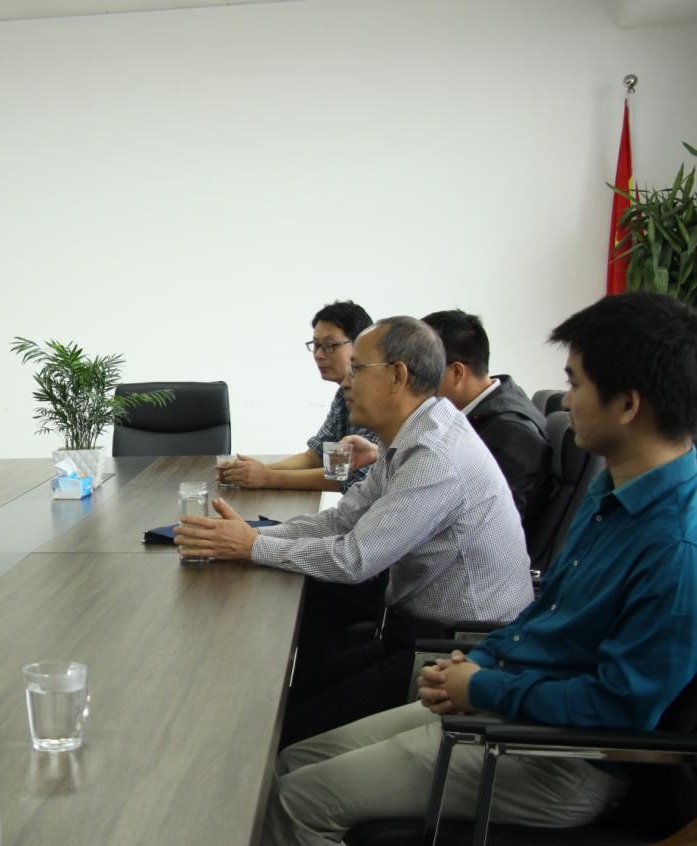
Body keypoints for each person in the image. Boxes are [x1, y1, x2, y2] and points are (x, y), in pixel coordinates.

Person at [264, 292, 697, 845]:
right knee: (292, 759)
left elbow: (620, 709)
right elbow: (546, 611)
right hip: (507, 697)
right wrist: (484, 660)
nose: (566, 400)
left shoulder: (676, 544)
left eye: (577, 383)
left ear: (629, 405)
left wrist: (486, 686)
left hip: (558, 756)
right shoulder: (613, 489)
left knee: (296, 801)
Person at [176, 316, 533, 745]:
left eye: (358, 369)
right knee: (285, 707)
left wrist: (252, 546)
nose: (346, 381)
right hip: (415, 634)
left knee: (286, 734)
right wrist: (256, 537)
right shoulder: (413, 435)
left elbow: (354, 559)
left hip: (455, 654)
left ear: (398, 375)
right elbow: (342, 520)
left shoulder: (434, 456)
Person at [347, 310, 550, 539]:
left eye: (424, 369)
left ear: (456, 372)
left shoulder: (512, 432)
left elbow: (489, 526)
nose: (410, 382)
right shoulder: (471, 414)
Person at [222, 300, 380, 493]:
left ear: (361, 345)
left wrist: (267, 477)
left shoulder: (376, 397)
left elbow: (351, 478)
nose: (319, 354)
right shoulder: (343, 394)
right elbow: (315, 456)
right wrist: (252, 470)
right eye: (316, 345)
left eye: (330, 345)